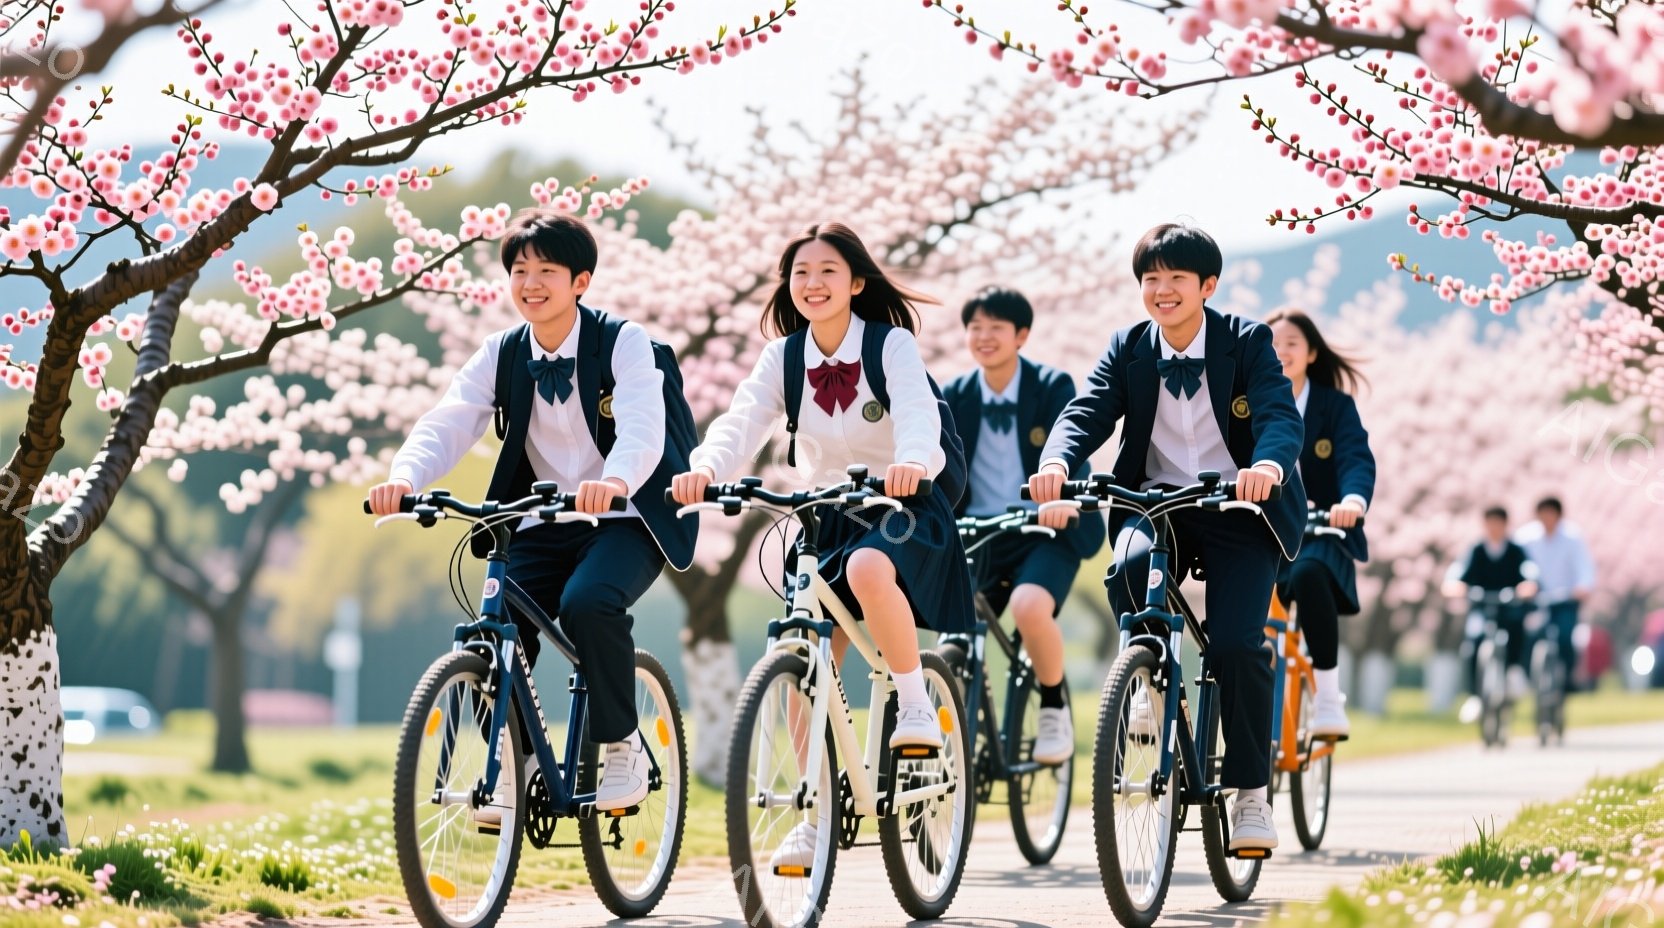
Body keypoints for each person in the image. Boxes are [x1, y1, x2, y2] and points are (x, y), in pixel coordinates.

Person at [367, 209, 694, 817]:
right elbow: (450, 420)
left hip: (627, 518)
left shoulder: (622, 343)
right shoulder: (503, 352)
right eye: (519, 270)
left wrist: (615, 481)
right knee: (493, 624)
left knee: (588, 602)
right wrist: (404, 478)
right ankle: (515, 759)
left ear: (581, 281)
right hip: (543, 517)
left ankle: (620, 743)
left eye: (547, 270)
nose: (531, 283)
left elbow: (644, 429)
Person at [670, 222, 974, 867]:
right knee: (804, 659)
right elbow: (743, 418)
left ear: (856, 283)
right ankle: (816, 812)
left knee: (868, 569)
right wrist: (704, 467)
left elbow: (918, 412)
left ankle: (914, 704)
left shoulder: (889, 345)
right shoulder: (781, 358)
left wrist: (915, 460)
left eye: (827, 271)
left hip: (905, 504)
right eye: (800, 272)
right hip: (827, 510)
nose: (812, 283)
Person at [1029, 223, 1307, 853]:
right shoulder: (1128, 347)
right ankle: (1147, 685)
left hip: (1241, 508)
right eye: (1151, 279)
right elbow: (1088, 409)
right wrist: (1056, 463)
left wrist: (1266, 466)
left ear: (1207, 286)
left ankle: (1252, 797)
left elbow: (1276, 413)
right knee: (1128, 570)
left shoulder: (1247, 341)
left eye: (1176, 278)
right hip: (1156, 504)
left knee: (1237, 645)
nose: (1162, 290)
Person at [944, 287, 1106, 764]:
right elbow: (942, 467)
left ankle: (1053, 704)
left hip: (1046, 530)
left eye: (996, 328)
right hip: (979, 532)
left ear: (1022, 335)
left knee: (1030, 605)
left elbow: (1070, 444)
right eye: (975, 328)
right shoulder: (954, 394)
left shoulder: (1051, 385)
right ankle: (953, 723)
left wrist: (1063, 497)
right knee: (952, 629)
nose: (984, 337)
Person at [1265, 307, 1376, 740]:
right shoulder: (1248, 402)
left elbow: (1355, 457)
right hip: (1266, 530)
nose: (1281, 352)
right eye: (1272, 344)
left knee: (1311, 574)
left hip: (1321, 530)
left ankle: (1328, 696)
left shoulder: (1333, 406)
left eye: (1291, 343)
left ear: (1311, 353)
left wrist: (1352, 499)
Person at [1443, 505, 1539, 723]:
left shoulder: (1516, 551)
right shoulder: (1476, 550)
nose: (1494, 527)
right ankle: (1475, 696)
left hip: (1511, 608)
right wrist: (1454, 585)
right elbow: (1458, 573)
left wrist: (1528, 586)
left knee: (1517, 632)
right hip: (1481, 609)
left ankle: (1514, 671)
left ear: (1505, 525)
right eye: (1490, 522)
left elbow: (1529, 572)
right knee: (1472, 644)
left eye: (1498, 522)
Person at [1514, 496, 1595, 696]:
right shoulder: (1525, 537)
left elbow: (1585, 567)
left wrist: (1583, 587)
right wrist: (1523, 586)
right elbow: (1517, 566)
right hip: (1535, 600)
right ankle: (1528, 677)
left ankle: (1567, 679)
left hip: (1565, 599)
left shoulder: (1572, 536)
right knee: (1526, 636)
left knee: (1566, 637)